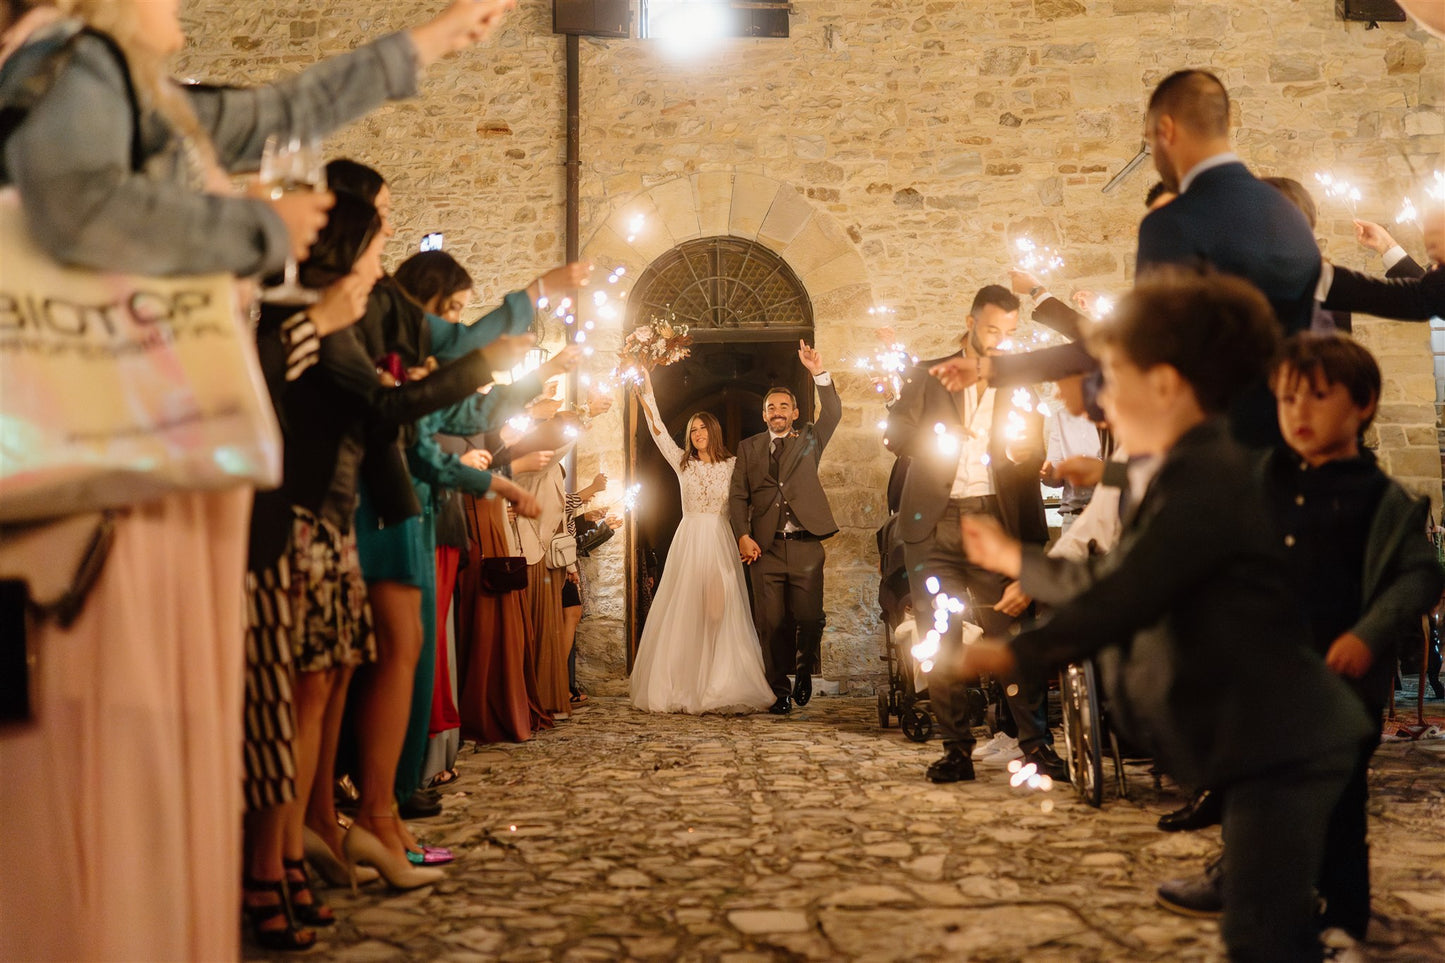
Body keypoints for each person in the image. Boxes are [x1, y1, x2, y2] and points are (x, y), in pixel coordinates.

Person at [0, 1, 514, 958]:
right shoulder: (75, 64)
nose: (184, 15)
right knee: (111, 735)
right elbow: (70, 199)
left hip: (160, 461)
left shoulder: (145, 92)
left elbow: (287, 107)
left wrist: (430, 42)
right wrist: (250, 229)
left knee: (169, 733)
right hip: (109, 457)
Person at [958, 271, 1373, 963]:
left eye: (1113, 376)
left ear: (1166, 385)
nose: (1100, 397)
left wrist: (1016, 654)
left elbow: (1128, 590)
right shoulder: (1186, 466)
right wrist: (1019, 562)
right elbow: (1121, 574)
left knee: (1261, 933)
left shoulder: (1204, 477)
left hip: (1284, 740)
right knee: (1261, 926)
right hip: (1257, 742)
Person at [1155, 334, 1443, 953]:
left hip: (1341, 684)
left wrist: (1367, 635)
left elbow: (1418, 574)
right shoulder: (1264, 482)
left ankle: (1343, 914)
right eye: (1286, 400)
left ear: (1363, 403)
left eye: (1316, 397)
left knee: (1338, 804)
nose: (1298, 413)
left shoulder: (1380, 499)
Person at [883, 285, 1065, 784]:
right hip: (933, 523)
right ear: (970, 322)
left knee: (1013, 634)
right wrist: (931, 437)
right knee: (940, 637)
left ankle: (1036, 745)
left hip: (994, 520)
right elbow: (894, 431)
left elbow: (1031, 456)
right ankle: (956, 749)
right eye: (992, 330)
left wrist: (1025, 452)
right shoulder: (930, 373)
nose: (1001, 341)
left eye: (1009, 333)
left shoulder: (1018, 381)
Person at [629, 368, 775, 714]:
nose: (696, 434)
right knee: (687, 610)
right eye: (692, 430)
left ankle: (717, 681)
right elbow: (659, 431)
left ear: (714, 431)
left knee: (718, 611)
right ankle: (686, 683)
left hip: (719, 539)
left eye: (702, 428)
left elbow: (750, 497)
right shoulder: (683, 465)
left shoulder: (732, 465)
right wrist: (648, 392)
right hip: (690, 540)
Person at [729, 341, 842, 714]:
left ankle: (804, 668)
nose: (777, 412)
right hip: (767, 549)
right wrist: (743, 535)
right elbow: (738, 496)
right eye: (770, 407)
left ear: (794, 412)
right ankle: (778, 691)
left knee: (809, 618)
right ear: (763, 415)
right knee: (771, 623)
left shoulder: (810, 438)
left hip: (808, 545)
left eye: (783, 406)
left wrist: (817, 373)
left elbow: (834, 413)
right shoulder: (748, 448)